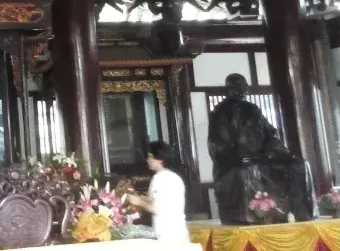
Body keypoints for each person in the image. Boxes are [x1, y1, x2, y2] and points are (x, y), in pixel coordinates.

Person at [208, 73, 314, 224]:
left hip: (262, 157)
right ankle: (254, 216)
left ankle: (300, 211)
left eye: (244, 86)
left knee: (299, 164)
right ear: (229, 89)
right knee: (244, 171)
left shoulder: (253, 110)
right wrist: (238, 156)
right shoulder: (220, 113)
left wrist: (274, 151)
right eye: (238, 86)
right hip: (235, 161)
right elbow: (217, 144)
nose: (243, 89)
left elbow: (270, 134)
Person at [129, 141, 189, 243]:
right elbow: (160, 200)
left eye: (150, 157)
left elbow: (155, 207)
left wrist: (137, 201)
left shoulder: (159, 178)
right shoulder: (175, 177)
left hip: (167, 236)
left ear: (160, 159)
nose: (148, 160)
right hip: (180, 232)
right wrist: (140, 197)